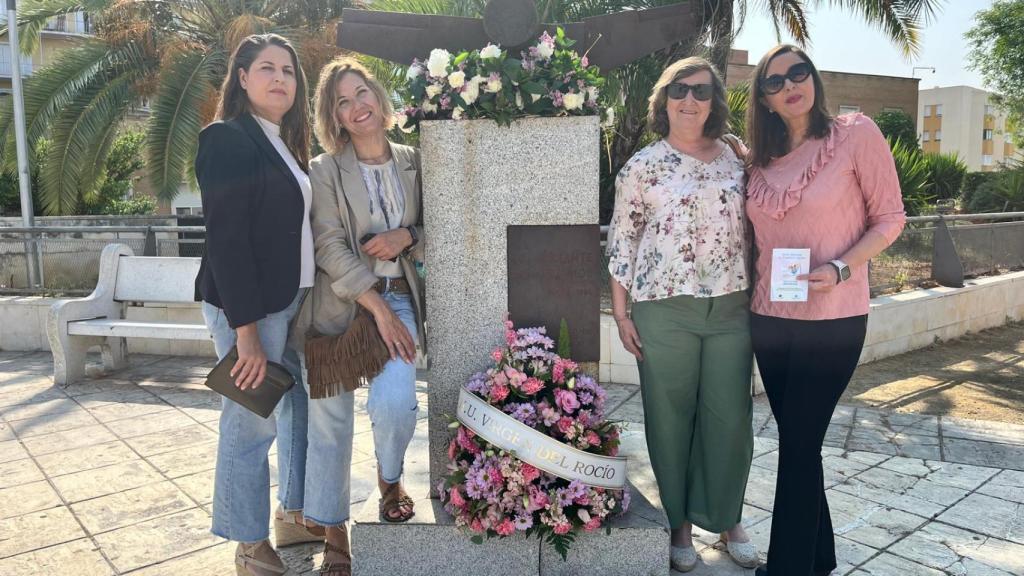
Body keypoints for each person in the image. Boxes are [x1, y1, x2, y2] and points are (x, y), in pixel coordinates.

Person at [744, 45, 905, 576]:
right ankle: (820, 556)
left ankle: (787, 567)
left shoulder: (855, 135)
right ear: (763, 99)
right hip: (769, 319)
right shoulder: (757, 161)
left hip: (834, 320)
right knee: (800, 441)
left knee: (798, 443)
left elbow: (890, 219)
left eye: (798, 73)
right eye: (774, 81)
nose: (790, 85)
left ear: (813, 78)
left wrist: (841, 267)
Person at [606, 56, 758, 573]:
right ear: (664, 99)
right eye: (679, 89)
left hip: (732, 305)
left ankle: (728, 518)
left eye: (701, 90)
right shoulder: (642, 166)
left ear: (715, 102)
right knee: (670, 418)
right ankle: (679, 524)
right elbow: (623, 241)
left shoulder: (737, 158)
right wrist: (622, 315)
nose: (689, 99)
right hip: (662, 309)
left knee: (730, 419)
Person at [291, 57, 425, 576]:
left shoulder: (415, 160)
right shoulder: (324, 170)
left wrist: (407, 236)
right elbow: (327, 244)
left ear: (378, 95)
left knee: (395, 403)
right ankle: (334, 534)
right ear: (335, 117)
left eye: (361, 93)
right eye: (342, 102)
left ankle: (390, 478)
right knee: (331, 424)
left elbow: (439, 224)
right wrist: (376, 307)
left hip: (400, 296)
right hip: (341, 309)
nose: (356, 106)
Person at [195, 33, 323, 575]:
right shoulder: (226, 139)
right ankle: (248, 543)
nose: (280, 79)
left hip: (290, 302)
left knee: (297, 410)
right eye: (267, 68)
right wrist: (245, 331)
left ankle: (293, 514)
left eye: (288, 71)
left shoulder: (285, 144)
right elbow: (227, 240)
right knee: (251, 423)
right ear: (242, 78)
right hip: (249, 308)